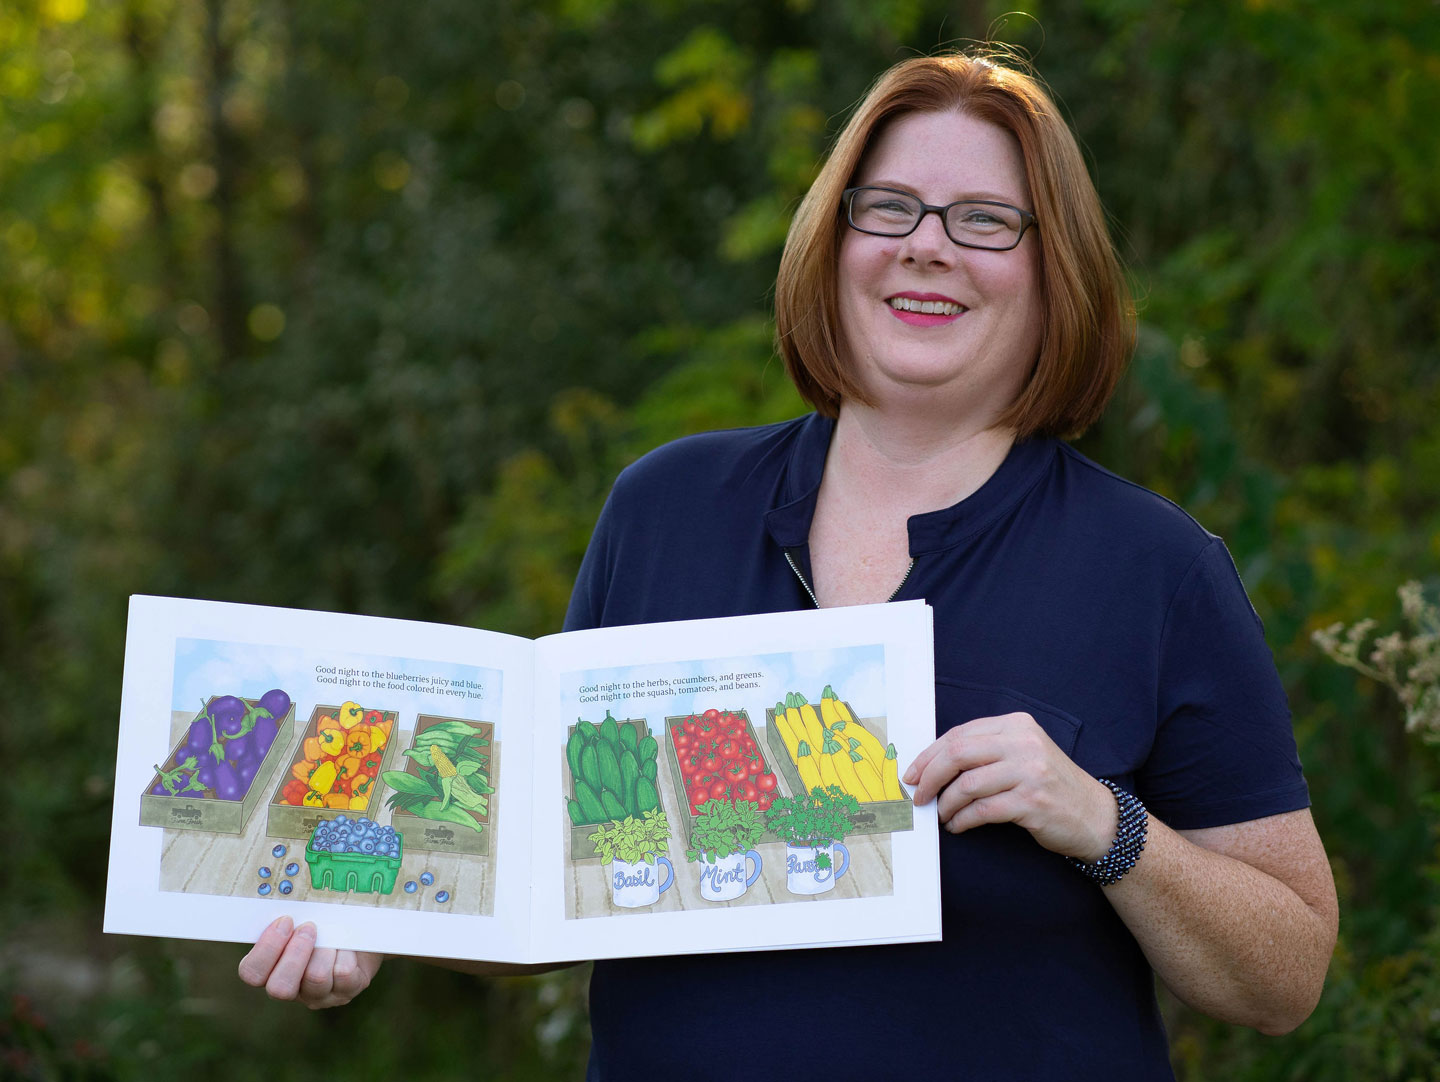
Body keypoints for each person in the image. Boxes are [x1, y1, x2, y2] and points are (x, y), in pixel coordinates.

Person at [240, 50, 1337, 1079]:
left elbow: (1286, 975)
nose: (926, 245)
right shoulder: (663, 510)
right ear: (835, 235)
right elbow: (546, 905)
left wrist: (1108, 823)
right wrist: (376, 914)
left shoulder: (1154, 570)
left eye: (987, 220)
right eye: (890, 207)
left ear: (1058, 270)